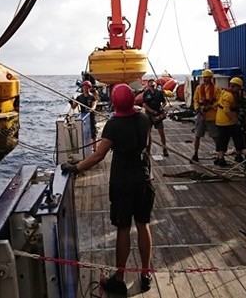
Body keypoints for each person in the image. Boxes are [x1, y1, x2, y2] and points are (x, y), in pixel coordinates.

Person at [61, 84, 155, 294]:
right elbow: (147, 145)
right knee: (143, 225)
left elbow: (98, 155)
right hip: (144, 180)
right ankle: (145, 274)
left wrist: (76, 167)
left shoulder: (113, 125)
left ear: (114, 102)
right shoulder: (144, 119)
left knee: (123, 228)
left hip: (123, 183)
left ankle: (119, 279)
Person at [213, 77, 246, 167]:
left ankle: (220, 158)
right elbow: (227, 110)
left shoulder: (224, 92)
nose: (239, 90)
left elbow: (218, 104)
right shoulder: (229, 96)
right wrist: (236, 120)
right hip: (228, 122)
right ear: (235, 87)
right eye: (239, 88)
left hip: (220, 121)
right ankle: (238, 155)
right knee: (239, 136)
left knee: (222, 140)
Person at [192, 69, 221, 163]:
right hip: (201, 115)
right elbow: (195, 99)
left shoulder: (216, 89)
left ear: (211, 78)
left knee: (215, 136)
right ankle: (195, 154)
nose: (205, 79)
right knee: (197, 135)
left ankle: (219, 155)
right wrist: (197, 108)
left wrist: (211, 107)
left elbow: (219, 101)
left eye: (207, 77)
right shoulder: (198, 88)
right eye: (204, 77)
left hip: (211, 116)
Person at [142, 78, 168, 156]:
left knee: (161, 133)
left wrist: (162, 107)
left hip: (158, 115)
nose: (152, 87)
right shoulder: (146, 93)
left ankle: (165, 149)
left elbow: (164, 102)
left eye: (153, 85)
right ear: (148, 86)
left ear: (155, 85)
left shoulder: (159, 93)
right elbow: (144, 105)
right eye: (151, 85)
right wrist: (152, 111)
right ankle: (148, 150)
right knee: (148, 133)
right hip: (149, 116)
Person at [70, 80, 99, 150]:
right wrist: (71, 102)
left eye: (87, 87)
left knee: (93, 134)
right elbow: (74, 107)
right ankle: (87, 149)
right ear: (82, 88)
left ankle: (95, 150)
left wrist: (91, 109)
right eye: (84, 87)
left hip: (91, 117)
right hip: (83, 118)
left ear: (90, 88)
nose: (85, 89)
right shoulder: (79, 97)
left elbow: (94, 105)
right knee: (85, 134)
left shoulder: (92, 97)